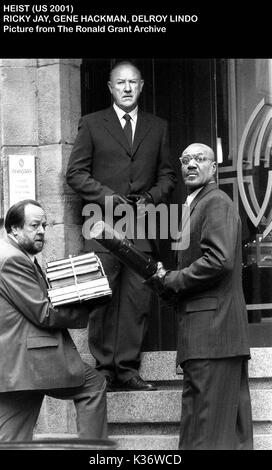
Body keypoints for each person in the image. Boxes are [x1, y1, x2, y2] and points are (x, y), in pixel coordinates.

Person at [66, 60, 177, 392]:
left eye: (133, 83)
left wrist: (151, 198)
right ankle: (104, 370)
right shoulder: (91, 124)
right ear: (110, 88)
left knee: (136, 301)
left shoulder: (157, 127)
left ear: (141, 86)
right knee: (102, 299)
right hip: (100, 226)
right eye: (121, 83)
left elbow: (168, 176)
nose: (127, 88)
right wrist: (110, 199)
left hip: (142, 226)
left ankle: (127, 369)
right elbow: (76, 174)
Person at [148, 143, 253, 450]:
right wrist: (165, 281)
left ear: (213, 168)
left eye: (200, 159)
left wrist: (172, 278)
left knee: (209, 433)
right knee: (214, 431)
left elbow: (219, 261)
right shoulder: (195, 205)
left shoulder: (215, 201)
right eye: (186, 159)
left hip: (214, 334)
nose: (192, 164)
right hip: (207, 335)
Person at [0, 199, 108, 441]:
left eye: (45, 226)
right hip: (32, 361)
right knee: (93, 386)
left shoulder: (13, 253)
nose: (41, 231)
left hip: (15, 366)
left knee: (10, 439)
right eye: (34, 225)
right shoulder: (12, 259)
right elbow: (43, 312)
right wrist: (87, 305)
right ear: (14, 229)